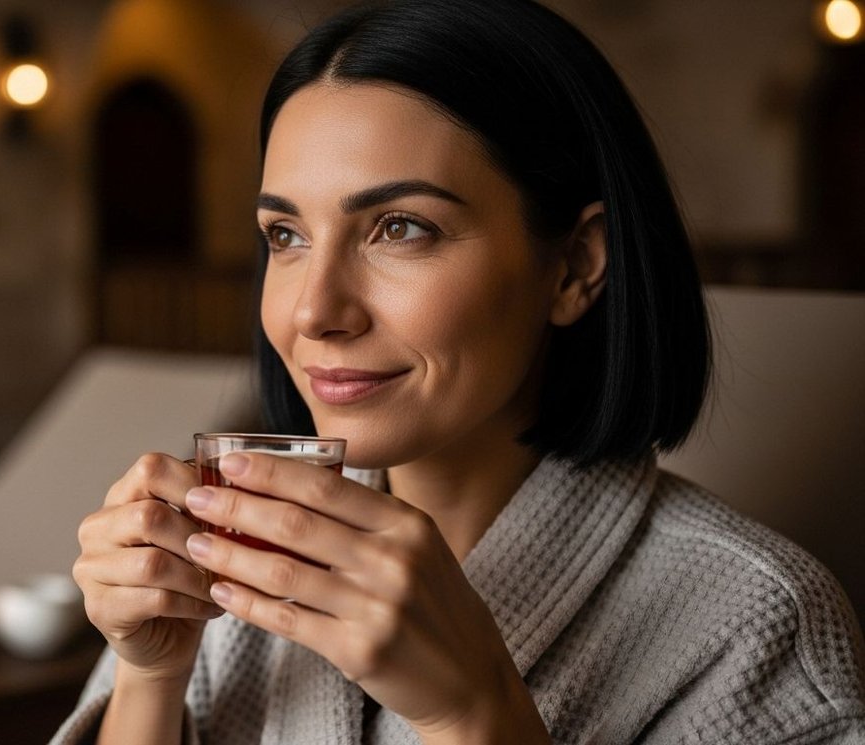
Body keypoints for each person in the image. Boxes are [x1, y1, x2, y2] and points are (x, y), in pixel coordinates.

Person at [55, 1, 865, 742]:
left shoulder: (760, 626)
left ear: (576, 265)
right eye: (285, 236)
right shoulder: (232, 566)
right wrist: (152, 676)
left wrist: (472, 711)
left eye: (400, 227)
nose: (313, 312)